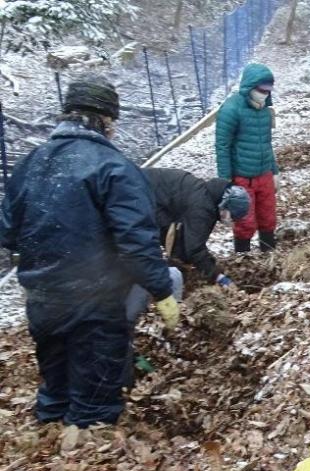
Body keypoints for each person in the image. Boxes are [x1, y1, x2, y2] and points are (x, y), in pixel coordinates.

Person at [0, 76, 177, 427]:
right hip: (94, 302)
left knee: (56, 387)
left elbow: (8, 232)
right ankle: (82, 456)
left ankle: (46, 449)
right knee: (94, 402)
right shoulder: (114, 169)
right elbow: (136, 244)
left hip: (42, 298)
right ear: (107, 121)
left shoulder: (31, 164)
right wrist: (162, 290)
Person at [142, 167, 251, 288]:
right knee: (154, 240)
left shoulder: (209, 197)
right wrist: (217, 276)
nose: (231, 221)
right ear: (225, 205)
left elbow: (192, 239)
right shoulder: (202, 209)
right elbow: (194, 248)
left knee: (178, 243)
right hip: (143, 194)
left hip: (152, 188)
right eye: (232, 217)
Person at [216, 63, 279, 253]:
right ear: (250, 87)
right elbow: (222, 146)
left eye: (268, 89)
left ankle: (269, 255)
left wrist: (274, 171)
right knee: (245, 221)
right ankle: (243, 257)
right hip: (242, 177)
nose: (265, 93)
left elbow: (267, 143)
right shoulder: (231, 109)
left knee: (268, 217)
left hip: (264, 174)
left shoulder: (265, 110)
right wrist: (225, 181)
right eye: (261, 89)